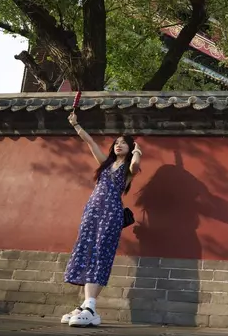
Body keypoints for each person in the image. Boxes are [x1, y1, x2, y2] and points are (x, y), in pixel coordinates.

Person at [60, 112, 142, 327]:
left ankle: (91, 306)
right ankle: (84, 305)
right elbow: (90, 142)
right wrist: (76, 124)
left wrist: (138, 152)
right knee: (86, 251)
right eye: (117, 143)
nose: (118, 145)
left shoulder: (128, 170)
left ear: (130, 147)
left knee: (100, 252)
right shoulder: (105, 164)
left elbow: (135, 167)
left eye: (124, 143)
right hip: (92, 211)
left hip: (111, 214)